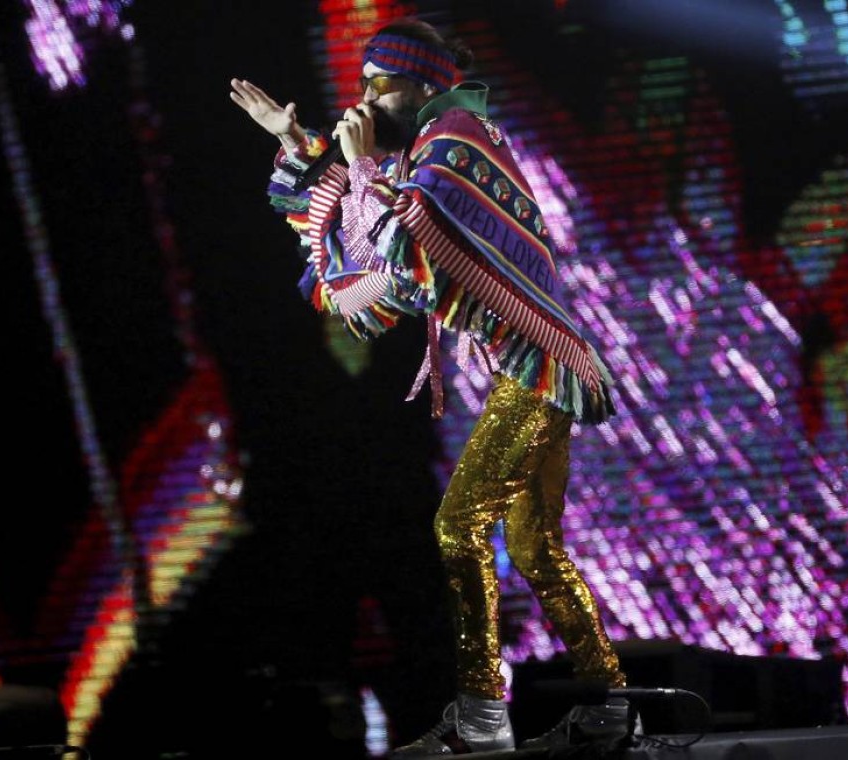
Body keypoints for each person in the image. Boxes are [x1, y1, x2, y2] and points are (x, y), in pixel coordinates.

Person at [230, 17, 636, 757]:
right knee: (535, 547)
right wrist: (298, 145)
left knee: (456, 529)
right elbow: (374, 269)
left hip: (537, 366)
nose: (359, 103)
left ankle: (483, 718)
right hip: (537, 365)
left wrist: (355, 170)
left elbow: (407, 253)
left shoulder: (454, 144)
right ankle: (611, 705)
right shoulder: (433, 146)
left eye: (373, 86)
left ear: (416, 84)